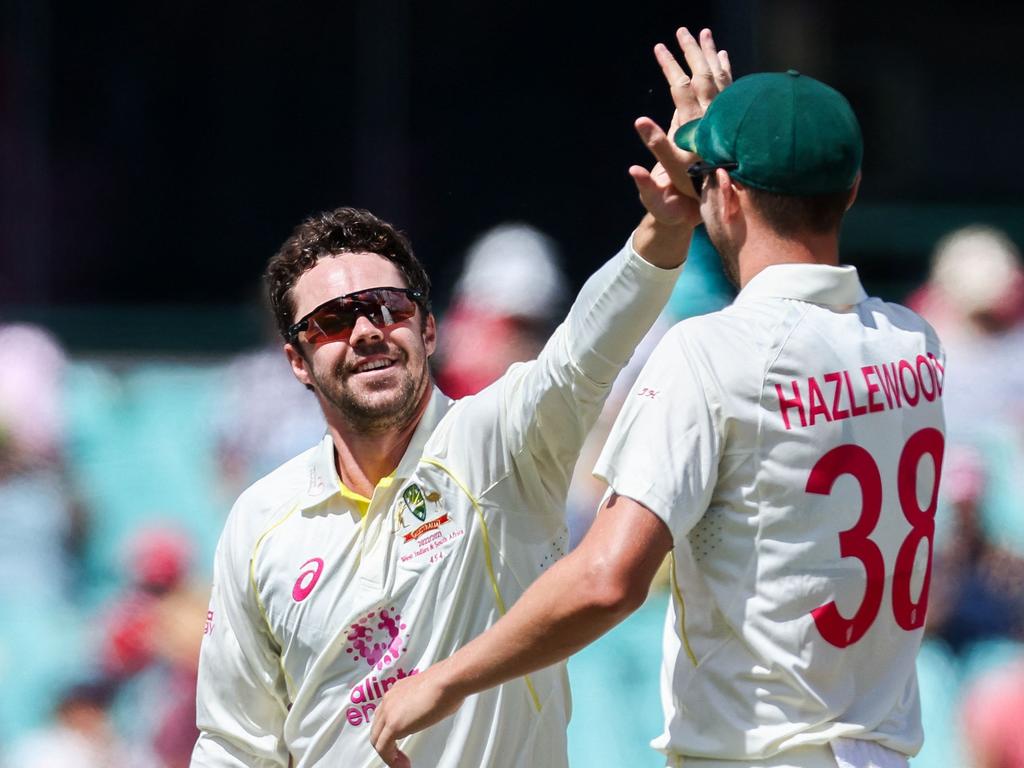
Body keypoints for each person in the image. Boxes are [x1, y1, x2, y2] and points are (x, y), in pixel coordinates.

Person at [371, 64, 947, 768]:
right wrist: (730, 156)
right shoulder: (915, 344)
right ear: (851, 191)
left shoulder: (710, 354)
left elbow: (608, 578)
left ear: (726, 193)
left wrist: (444, 680)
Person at [190, 27, 732, 768]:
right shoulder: (260, 520)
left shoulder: (501, 442)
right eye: (332, 321)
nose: (367, 331)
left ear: (431, 325)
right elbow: (234, 742)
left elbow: (584, 348)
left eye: (388, 306)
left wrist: (662, 224)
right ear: (296, 360)